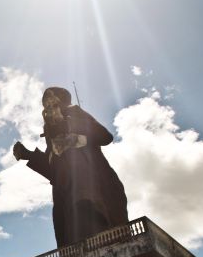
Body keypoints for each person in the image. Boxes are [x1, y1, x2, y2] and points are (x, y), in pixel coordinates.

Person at [13, 87, 129, 248]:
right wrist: (29, 155)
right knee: (70, 236)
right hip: (66, 194)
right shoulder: (50, 132)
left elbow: (105, 136)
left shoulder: (73, 113)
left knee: (92, 220)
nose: (48, 107)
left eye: (52, 102)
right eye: (45, 103)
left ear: (62, 102)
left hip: (91, 186)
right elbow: (53, 169)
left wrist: (67, 125)